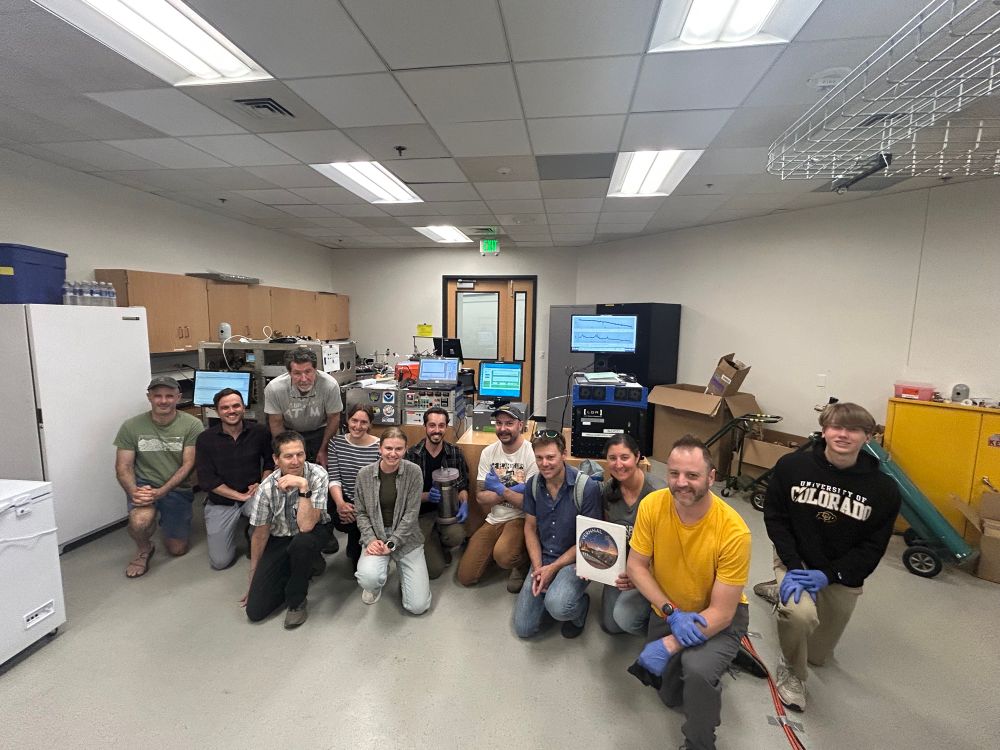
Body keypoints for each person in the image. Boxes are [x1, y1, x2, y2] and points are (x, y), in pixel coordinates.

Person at [763, 402, 901, 713]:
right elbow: (776, 519)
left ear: (868, 437)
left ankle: (778, 591)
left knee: (818, 656)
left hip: (841, 572)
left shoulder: (884, 489)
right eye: (836, 427)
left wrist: (830, 575)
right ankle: (792, 671)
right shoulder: (792, 467)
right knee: (800, 618)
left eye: (854, 429)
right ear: (824, 430)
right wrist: (793, 566)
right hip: (796, 561)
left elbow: (873, 547)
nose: (843, 434)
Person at [626, 435, 751, 750]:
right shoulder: (652, 505)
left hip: (719, 616)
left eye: (692, 475)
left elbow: (722, 612)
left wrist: (670, 643)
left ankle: (699, 743)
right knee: (670, 697)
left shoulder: (734, 531)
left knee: (697, 672)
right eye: (674, 473)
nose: (681, 483)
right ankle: (720, 655)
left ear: (711, 477)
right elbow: (636, 567)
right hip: (672, 608)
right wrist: (671, 613)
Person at [513, 431, 602, 639]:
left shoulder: (586, 488)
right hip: (544, 558)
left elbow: (589, 541)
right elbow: (530, 528)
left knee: (558, 606)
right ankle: (552, 592)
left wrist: (553, 569)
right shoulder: (532, 485)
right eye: (539, 458)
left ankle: (579, 607)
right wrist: (538, 569)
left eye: (550, 457)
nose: (544, 464)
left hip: (575, 560)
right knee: (524, 628)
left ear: (564, 454)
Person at [114, 376, 203, 578]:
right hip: (144, 487)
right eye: (158, 396)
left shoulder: (192, 425)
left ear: (178, 397)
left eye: (169, 396)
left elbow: (189, 464)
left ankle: (169, 522)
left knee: (177, 549)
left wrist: (162, 491)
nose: (163, 401)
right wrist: (134, 492)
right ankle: (144, 547)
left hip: (176, 488)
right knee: (139, 522)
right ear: (149, 397)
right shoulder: (131, 426)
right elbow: (123, 466)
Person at [244, 431, 332, 629]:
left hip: (313, 531)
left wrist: (303, 487)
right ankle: (304, 566)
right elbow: (260, 534)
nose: (295, 461)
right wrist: (254, 576)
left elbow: (307, 525)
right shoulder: (266, 488)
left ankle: (296, 601)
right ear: (276, 459)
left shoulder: (318, 474)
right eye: (288, 456)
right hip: (281, 536)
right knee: (255, 611)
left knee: (302, 543)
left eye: (300, 454)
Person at [456, 404, 538, 593]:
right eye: (499, 423)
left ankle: (522, 563)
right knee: (466, 577)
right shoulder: (488, 452)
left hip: (520, 518)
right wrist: (514, 490)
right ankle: (499, 550)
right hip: (494, 518)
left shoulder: (531, 453)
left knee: (504, 557)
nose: (503, 428)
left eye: (509, 423)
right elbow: (481, 497)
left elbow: (529, 503)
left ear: (520, 425)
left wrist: (499, 489)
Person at [195, 388, 274, 570]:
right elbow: (207, 480)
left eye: (236, 406)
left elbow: (270, 462)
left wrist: (262, 484)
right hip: (221, 501)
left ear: (243, 407)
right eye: (225, 408)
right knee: (220, 562)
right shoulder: (205, 439)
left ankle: (253, 533)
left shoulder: (260, 432)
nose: (231, 411)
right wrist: (240, 496)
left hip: (253, 494)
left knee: (267, 532)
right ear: (217, 411)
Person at [354, 428, 431, 615]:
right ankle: (376, 585)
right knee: (368, 578)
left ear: (405, 449)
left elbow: (411, 514)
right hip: (376, 536)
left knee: (418, 606)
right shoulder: (364, 474)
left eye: (398, 449)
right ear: (380, 448)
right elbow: (361, 513)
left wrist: (393, 543)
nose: (393, 454)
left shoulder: (414, 472)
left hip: (407, 537)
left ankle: (405, 576)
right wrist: (371, 539)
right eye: (388, 448)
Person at [599, 434, 666, 635]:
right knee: (611, 626)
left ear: (637, 457)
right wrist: (593, 564)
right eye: (612, 458)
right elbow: (605, 533)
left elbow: (670, 549)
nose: (618, 464)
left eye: (625, 457)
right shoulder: (607, 491)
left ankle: (661, 622)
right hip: (621, 565)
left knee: (626, 619)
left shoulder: (659, 494)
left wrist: (640, 575)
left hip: (653, 568)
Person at [405, 406, 470, 579]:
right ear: (425, 426)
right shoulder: (412, 455)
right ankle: (431, 542)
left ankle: (442, 544)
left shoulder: (455, 453)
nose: (437, 430)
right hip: (421, 514)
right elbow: (404, 495)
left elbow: (463, 485)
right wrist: (426, 496)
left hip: (447, 512)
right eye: (432, 425)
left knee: (457, 536)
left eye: (441, 426)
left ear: (446, 427)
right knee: (434, 571)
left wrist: (464, 502)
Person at [263, 346, 343, 468]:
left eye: (308, 372)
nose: (304, 379)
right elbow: (276, 423)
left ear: (315, 369)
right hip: (288, 434)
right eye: (297, 373)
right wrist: (284, 453)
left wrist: (324, 449)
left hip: (321, 434)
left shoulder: (330, 386)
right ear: (289, 372)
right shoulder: (274, 388)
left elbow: (334, 418)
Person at [326, 403, 381, 566]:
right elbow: (334, 478)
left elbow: (378, 485)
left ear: (370, 424)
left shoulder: (379, 447)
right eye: (354, 420)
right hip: (345, 499)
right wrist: (340, 504)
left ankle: (359, 544)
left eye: (364, 422)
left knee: (359, 564)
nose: (358, 426)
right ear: (347, 420)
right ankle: (355, 540)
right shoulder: (336, 443)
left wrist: (361, 509)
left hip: (369, 501)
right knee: (342, 519)